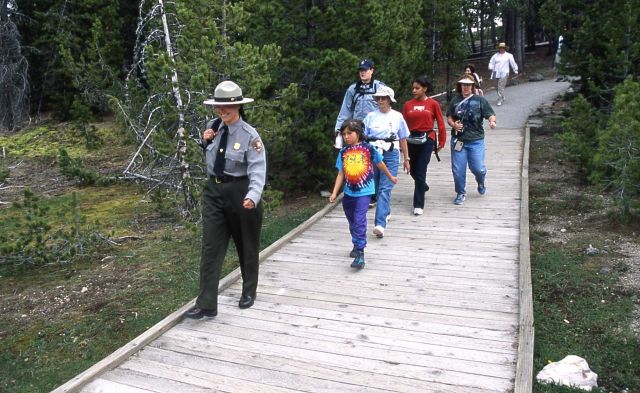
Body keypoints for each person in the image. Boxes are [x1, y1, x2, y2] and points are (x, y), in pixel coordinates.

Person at [184, 80, 267, 319]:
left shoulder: (250, 135)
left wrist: (252, 196)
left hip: (241, 193)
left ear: (238, 106)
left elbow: (258, 170)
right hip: (214, 192)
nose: (222, 112)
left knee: (247, 246)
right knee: (211, 247)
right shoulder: (213, 127)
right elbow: (212, 158)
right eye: (218, 107)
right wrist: (206, 142)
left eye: (227, 108)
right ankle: (206, 304)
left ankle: (249, 291)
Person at [329, 119, 397, 269]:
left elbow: (380, 163)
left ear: (358, 133)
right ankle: (356, 243)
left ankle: (360, 253)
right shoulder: (343, 152)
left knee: (359, 219)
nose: (346, 136)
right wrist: (334, 193)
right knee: (352, 220)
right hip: (349, 193)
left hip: (364, 192)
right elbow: (341, 174)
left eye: (349, 133)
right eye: (344, 134)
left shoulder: (368, 149)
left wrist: (390, 177)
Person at [363, 85, 409, 238]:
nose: (380, 100)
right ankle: (386, 210)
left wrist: (406, 159)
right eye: (378, 98)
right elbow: (362, 137)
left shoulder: (397, 116)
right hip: (374, 154)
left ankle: (380, 224)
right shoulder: (370, 117)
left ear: (390, 100)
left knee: (385, 188)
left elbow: (403, 138)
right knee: (375, 187)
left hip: (391, 153)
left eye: (383, 98)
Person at [446, 75, 497, 205]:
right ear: (460, 86)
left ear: (473, 86)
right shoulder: (455, 100)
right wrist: (453, 125)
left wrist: (492, 121)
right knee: (458, 169)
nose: (466, 87)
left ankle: (481, 181)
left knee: (478, 168)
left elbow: (490, 114)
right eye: (463, 84)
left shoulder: (480, 100)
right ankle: (460, 192)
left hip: (476, 140)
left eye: (468, 85)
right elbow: (449, 117)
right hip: (459, 140)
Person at [402, 76, 447, 216]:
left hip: (427, 139)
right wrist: (400, 142)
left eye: (417, 88)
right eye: (413, 88)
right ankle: (423, 186)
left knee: (421, 170)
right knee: (413, 170)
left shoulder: (433, 104)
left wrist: (441, 141)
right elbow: (401, 126)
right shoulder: (407, 105)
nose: (414, 90)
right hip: (410, 140)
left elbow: (440, 123)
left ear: (425, 89)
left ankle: (418, 204)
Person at [334, 59, 386, 149]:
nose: (363, 73)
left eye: (365, 70)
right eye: (361, 70)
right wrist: (339, 130)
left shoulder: (380, 87)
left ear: (372, 70)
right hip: (357, 130)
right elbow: (345, 110)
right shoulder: (353, 89)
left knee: (375, 159)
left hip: (376, 132)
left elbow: (386, 109)